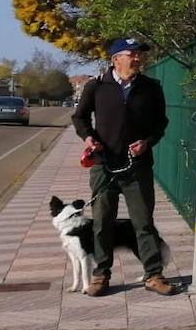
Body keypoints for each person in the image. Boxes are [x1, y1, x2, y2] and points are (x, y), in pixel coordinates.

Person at [73, 37, 175, 297]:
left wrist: (148, 142)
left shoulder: (151, 88)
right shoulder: (96, 87)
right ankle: (101, 275)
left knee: (143, 223)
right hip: (104, 166)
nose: (138, 58)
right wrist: (88, 137)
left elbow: (160, 123)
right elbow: (80, 117)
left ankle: (153, 274)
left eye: (140, 55)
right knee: (101, 223)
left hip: (137, 166)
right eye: (132, 54)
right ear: (115, 58)